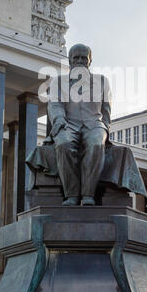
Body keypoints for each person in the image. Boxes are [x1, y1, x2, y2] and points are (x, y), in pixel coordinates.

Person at [48, 44, 112, 206]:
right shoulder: (58, 81)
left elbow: (106, 109)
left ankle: (88, 195)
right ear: (69, 60)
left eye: (84, 58)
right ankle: (72, 195)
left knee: (96, 143)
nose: (80, 61)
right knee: (63, 143)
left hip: (95, 125)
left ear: (90, 61)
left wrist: (104, 128)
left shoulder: (102, 81)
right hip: (68, 124)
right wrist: (59, 120)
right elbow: (54, 105)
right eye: (76, 58)